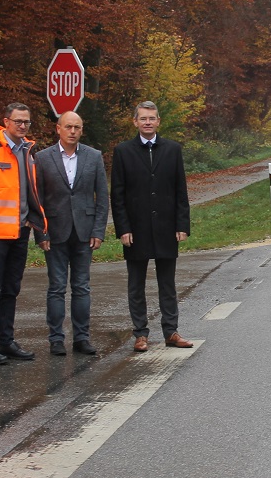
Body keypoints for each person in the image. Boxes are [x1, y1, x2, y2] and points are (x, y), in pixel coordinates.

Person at [0, 102, 49, 365]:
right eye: (18, 121)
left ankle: (6, 341)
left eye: (26, 122)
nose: (23, 126)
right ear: (6, 122)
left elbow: (31, 191)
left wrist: (32, 223)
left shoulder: (27, 152)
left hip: (20, 232)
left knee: (11, 290)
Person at [110, 101, 193, 352]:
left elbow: (181, 190)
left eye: (152, 118)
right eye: (143, 118)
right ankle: (140, 333)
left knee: (167, 283)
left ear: (158, 122)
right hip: (136, 229)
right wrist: (123, 228)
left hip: (167, 227)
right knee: (136, 284)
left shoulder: (172, 150)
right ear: (135, 122)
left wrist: (182, 224)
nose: (148, 122)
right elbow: (118, 194)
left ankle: (171, 331)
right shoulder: (123, 151)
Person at [34, 111, 108, 356]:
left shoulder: (94, 156)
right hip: (55, 231)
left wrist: (99, 229)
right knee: (56, 287)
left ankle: (82, 338)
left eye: (77, 127)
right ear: (58, 129)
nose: (73, 131)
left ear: (82, 129)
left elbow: (102, 197)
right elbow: (38, 199)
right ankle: (56, 339)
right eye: (68, 127)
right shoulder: (43, 158)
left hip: (85, 231)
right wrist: (41, 234)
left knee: (82, 287)